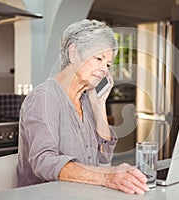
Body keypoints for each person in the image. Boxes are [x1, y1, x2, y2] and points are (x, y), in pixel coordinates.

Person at [16, 19, 149, 194]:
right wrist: (107, 177)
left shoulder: (86, 100)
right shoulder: (45, 98)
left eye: (107, 64)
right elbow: (44, 161)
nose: (104, 69)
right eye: (99, 58)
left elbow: (103, 157)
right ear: (73, 53)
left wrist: (99, 104)